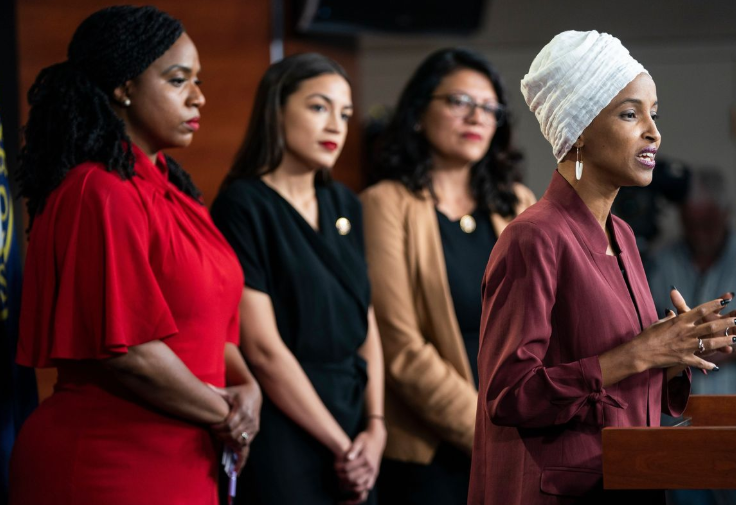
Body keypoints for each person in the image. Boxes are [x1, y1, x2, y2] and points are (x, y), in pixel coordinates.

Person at [468, 30, 736, 505]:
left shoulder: (624, 236)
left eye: (654, 114)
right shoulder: (533, 237)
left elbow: (621, 382)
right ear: (578, 130)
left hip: (628, 480)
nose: (653, 132)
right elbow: (508, 395)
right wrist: (640, 352)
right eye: (631, 114)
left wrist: (674, 354)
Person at [9, 6, 261, 505]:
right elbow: (130, 353)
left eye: (198, 80)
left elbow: (207, 328)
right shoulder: (98, 191)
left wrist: (248, 388)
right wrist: (227, 415)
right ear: (124, 88)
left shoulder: (177, 191)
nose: (198, 96)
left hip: (186, 456)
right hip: (110, 463)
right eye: (178, 80)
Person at [360, 48, 534, 505]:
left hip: (520, 439)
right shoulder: (384, 203)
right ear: (419, 113)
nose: (477, 116)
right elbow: (400, 347)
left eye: (490, 108)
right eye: (460, 101)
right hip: (431, 456)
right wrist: (491, 434)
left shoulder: (517, 203)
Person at [210, 53, 385, 505]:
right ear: (277, 109)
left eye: (344, 113)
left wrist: (375, 428)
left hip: (354, 421)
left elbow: (365, 321)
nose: (335, 126)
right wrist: (343, 448)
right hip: (286, 425)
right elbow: (263, 350)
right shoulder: (242, 205)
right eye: (319, 107)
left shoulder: (345, 203)